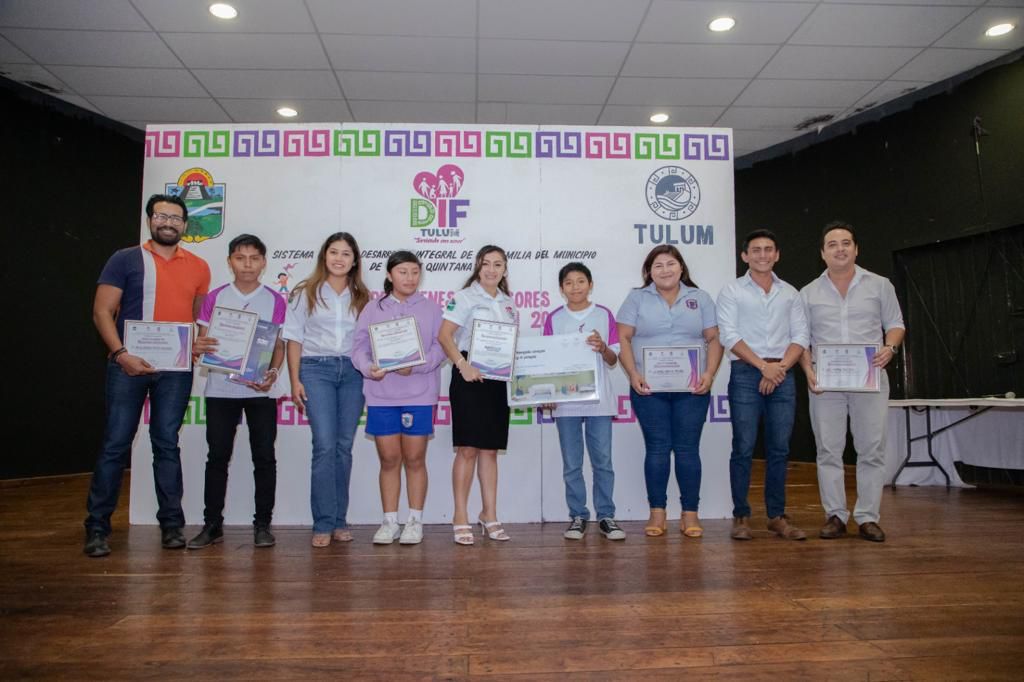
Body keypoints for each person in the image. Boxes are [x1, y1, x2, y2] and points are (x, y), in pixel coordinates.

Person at [83, 194, 211, 557]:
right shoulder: (124, 259)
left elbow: (196, 318)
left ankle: (172, 525)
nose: (168, 222)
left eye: (176, 217)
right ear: (150, 220)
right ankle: (96, 528)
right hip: (128, 366)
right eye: (161, 216)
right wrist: (121, 354)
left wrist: (198, 344)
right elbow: (102, 312)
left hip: (175, 370)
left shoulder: (199, 267)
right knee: (115, 444)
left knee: (166, 444)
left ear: (185, 225)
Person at [800, 221, 905, 542]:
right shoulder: (808, 293)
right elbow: (800, 340)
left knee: (871, 449)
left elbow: (896, 324)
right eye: (832, 244)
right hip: (824, 382)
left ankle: (868, 517)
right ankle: (835, 515)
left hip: (870, 378)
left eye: (846, 243)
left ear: (856, 249)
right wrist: (808, 371)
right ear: (823, 253)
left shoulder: (880, 285)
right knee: (828, 450)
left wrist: (890, 348)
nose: (840, 249)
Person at [186, 234, 286, 550]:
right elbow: (203, 340)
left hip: (260, 390)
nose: (247, 264)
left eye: (254, 258)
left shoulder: (275, 300)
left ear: (263, 262)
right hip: (221, 388)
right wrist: (198, 347)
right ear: (229, 261)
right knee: (217, 457)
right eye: (240, 258)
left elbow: (279, 345)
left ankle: (262, 525)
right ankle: (212, 525)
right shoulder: (215, 297)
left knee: (265, 458)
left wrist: (272, 373)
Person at [617, 245, 723, 538]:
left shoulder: (700, 298)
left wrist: (709, 374)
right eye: (658, 265)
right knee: (658, 449)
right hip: (648, 387)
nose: (665, 270)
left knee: (688, 450)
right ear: (649, 272)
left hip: (693, 388)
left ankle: (690, 514)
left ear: (681, 267)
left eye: (671, 263)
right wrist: (634, 374)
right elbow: (623, 338)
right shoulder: (636, 298)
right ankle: (657, 513)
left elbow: (714, 340)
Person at [716, 230, 809, 541]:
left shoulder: (791, 293)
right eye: (756, 250)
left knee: (780, 448)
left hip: (782, 373)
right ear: (745, 256)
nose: (762, 255)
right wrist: (763, 367)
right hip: (746, 372)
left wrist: (778, 368)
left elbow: (800, 338)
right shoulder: (731, 291)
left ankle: (776, 515)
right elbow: (728, 335)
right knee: (743, 447)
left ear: (777, 254)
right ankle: (741, 515)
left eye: (769, 249)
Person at [351, 252, 445, 545]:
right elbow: (358, 348)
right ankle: (390, 521)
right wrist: (369, 368)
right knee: (389, 459)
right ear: (390, 275)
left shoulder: (431, 309)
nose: (409, 278)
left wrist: (415, 365)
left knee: (415, 458)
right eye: (403, 272)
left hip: (419, 394)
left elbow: (440, 348)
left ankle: (415, 520)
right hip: (382, 395)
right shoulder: (371, 309)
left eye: (415, 272)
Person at [283, 232, 369, 548]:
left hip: (352, 372)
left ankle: (339, 521)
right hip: (315, 369)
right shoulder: (305, 293)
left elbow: (369, 340)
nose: (339, 258)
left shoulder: (363, 297)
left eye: (346, 254)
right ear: (324, 256)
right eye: (334, 252)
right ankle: (322, 522)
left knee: (343, 446)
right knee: (324, 445)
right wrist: (295, 380)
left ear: (354, 260)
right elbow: (293, 338)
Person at [438, 245, 518, 545]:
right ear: (477, 266)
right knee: (468, 449)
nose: (492, 269)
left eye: (498, 264)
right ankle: (460, 516)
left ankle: (489, 514)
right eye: (486, 264)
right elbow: (444, 336)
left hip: (498, 379)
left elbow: (510, 347)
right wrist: (462, 364)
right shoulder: (465, 297)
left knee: (490, 450)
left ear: (505, 269)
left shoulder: (510, 304)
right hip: (469, 375)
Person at [543, 262, 625, 541]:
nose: (575, 287)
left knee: (603, 460)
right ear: (561, 288)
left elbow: (614, 359)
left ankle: (606, 515)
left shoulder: (604, 315)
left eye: (581, 281)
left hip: (598, 400)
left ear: (590, 285)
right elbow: (547, 360)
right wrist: (550, 394)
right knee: (572, 463)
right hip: (566, 403)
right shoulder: (554, 318)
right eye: (568, 282)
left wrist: (603, 348)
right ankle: (578, 515)